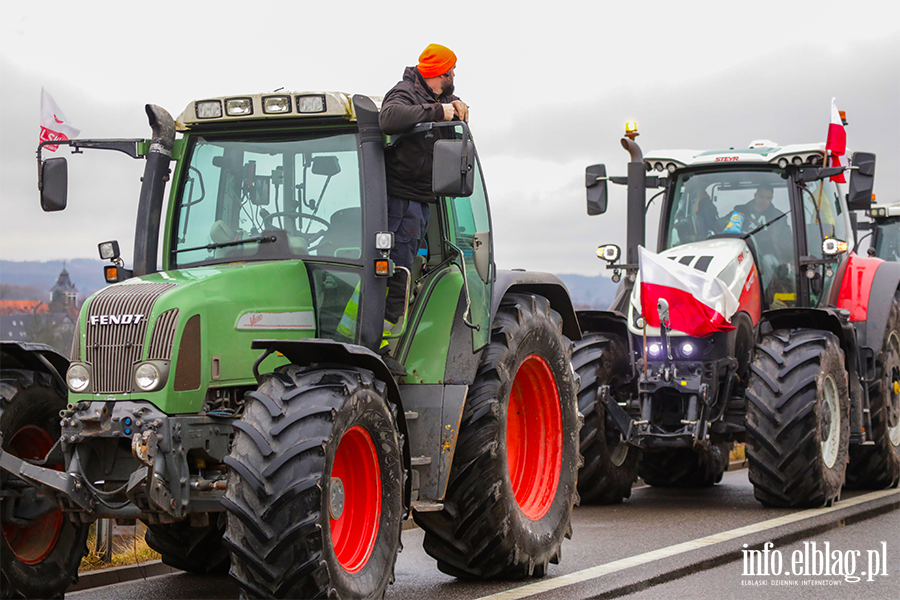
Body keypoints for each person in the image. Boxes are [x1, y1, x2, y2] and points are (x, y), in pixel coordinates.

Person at [377, 43, 469, 336]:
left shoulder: (435, 95)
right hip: (402, 201)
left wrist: (456, 106)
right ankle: (384, 340)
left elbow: (445, 107)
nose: (454, 74)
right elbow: (388, 119)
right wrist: (438, 111)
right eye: (451, 70)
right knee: (398, 269)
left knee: (413, 264)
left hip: (422, 198)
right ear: (441, 73)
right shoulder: (404, 92)